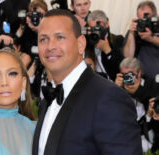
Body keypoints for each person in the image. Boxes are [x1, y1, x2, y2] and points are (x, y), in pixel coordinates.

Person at [32, 9, 142, 155]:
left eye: (60, 37)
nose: (50, 46)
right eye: (43, 39)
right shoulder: (48, 99)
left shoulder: (109, 98)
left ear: (80, 44)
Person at [123, 1, 159, 80]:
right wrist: (131, 33)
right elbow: (128, 56)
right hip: (141, 81)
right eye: (141, 19)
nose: (144, 22)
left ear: (155, 17)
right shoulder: (134, 31)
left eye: (147, 17)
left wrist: (151, 39)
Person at [86, 10, 124, 81]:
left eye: (98, 27)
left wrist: (108, 51)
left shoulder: (117, 40)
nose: (96, 31)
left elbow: (121, 69)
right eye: (93, 28)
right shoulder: (86, 42)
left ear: (107, 24)